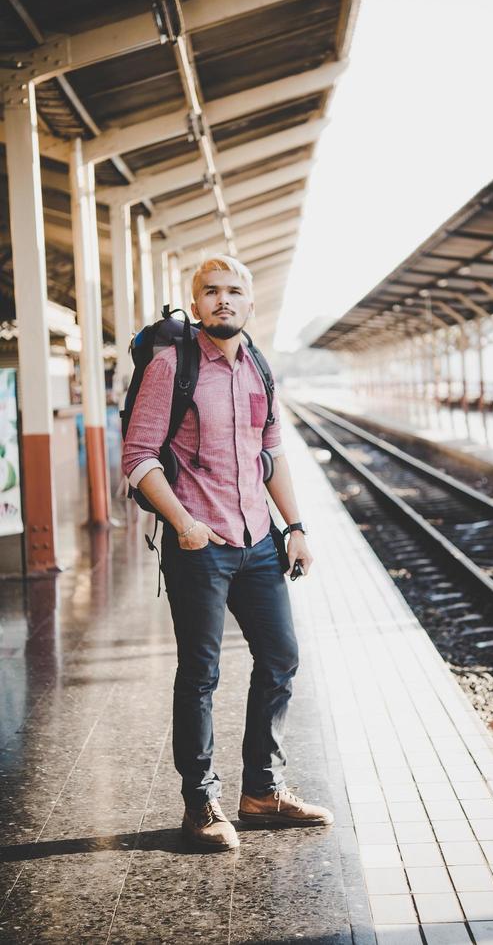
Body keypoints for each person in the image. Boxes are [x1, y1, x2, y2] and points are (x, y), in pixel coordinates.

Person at [121, 254, 333, 850]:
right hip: (201, 545)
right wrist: (184, 524)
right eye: (211, 291)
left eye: (234, 291)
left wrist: (296, 526)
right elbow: (138, 459)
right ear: (195, 302)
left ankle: (262, 790)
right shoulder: (171, 366)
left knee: (282, 659)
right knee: (200, 675)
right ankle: (201, 802)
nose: (223, 300)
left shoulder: (260, 369)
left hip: (260, 542)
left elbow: (273, 454)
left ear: (250, 303)